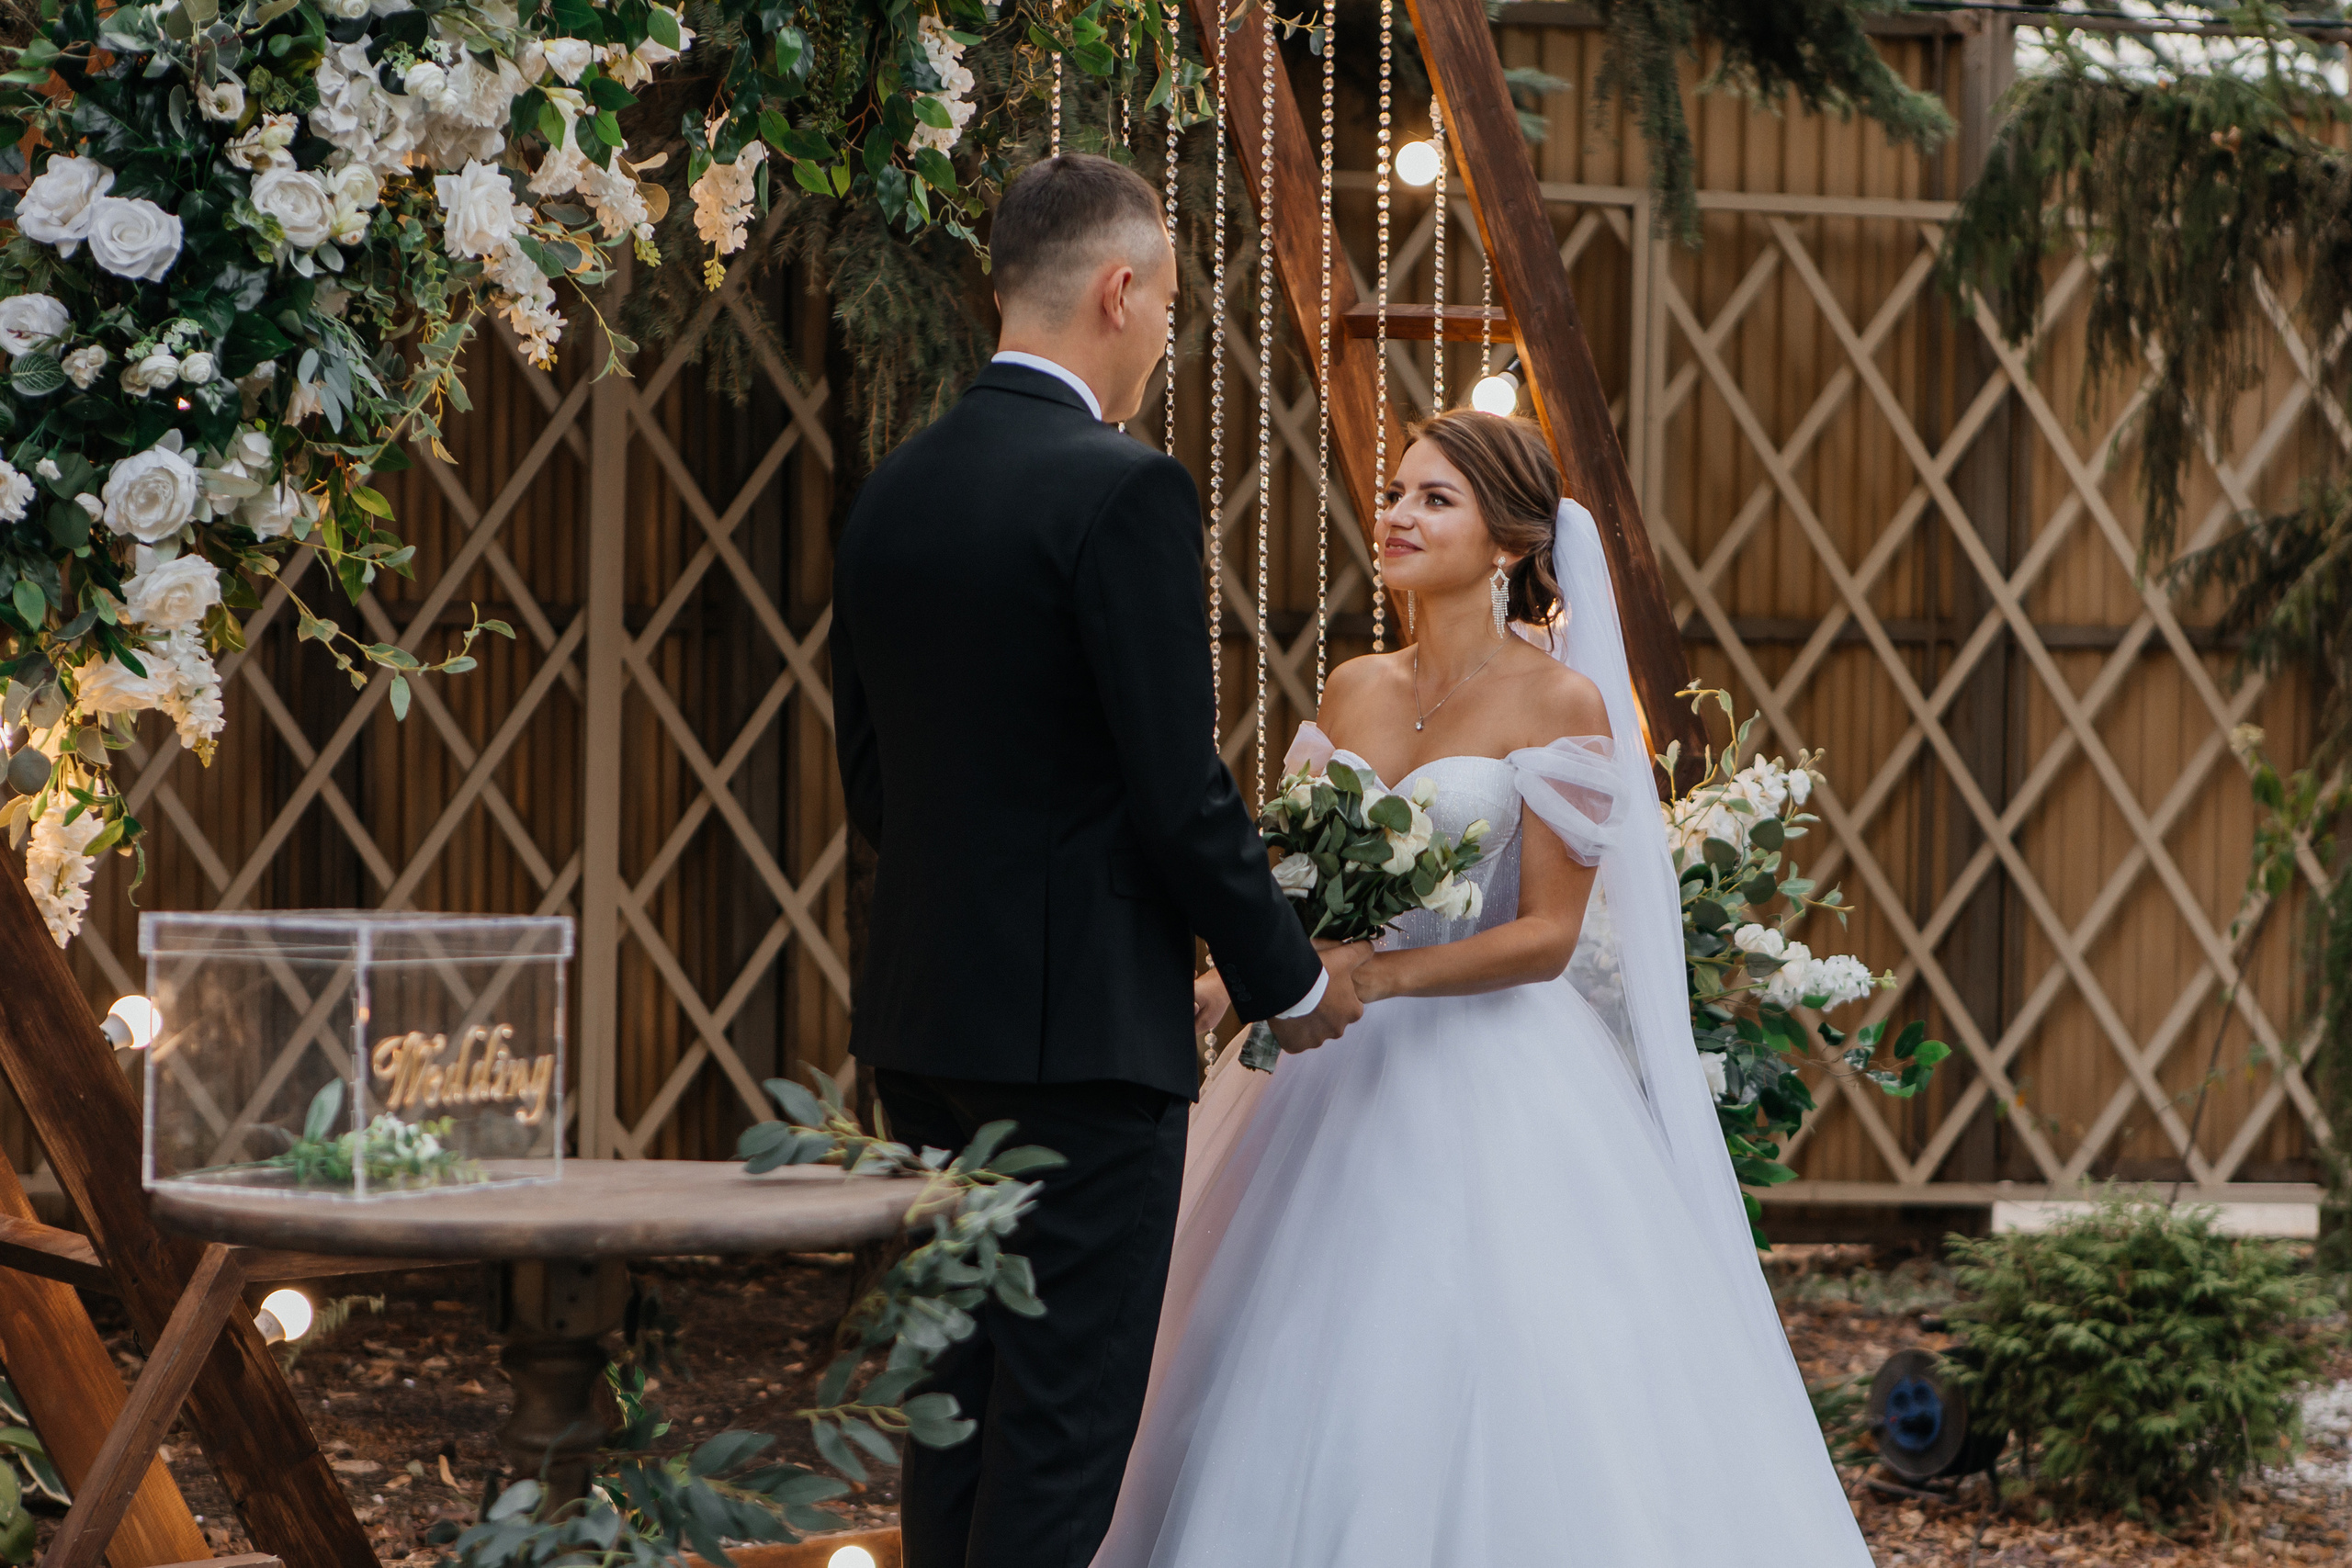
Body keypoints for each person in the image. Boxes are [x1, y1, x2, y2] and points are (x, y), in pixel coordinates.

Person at [1089, 410, 1876, 1565]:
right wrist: (1223, 986)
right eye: (1397, 493)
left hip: (1490, 1066)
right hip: (1324, 1071)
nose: (1398, 515)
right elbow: (1296, 899)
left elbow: (1548, 936)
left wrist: (1384, 973)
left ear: (1508, 541)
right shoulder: (1354, 689)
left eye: (1434, 499)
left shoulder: (1559, 705)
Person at [828, 152, 1370, 1568]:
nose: (1166, 336)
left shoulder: (897, 487)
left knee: (955, 1400)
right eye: (1171, 305)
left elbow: (877, 780)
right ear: (1118, 291)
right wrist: (1289, 979)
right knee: (1061, 1435)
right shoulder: (1121, 489)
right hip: (1080, 1044)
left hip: (927, 1021)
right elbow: (1175, 786)